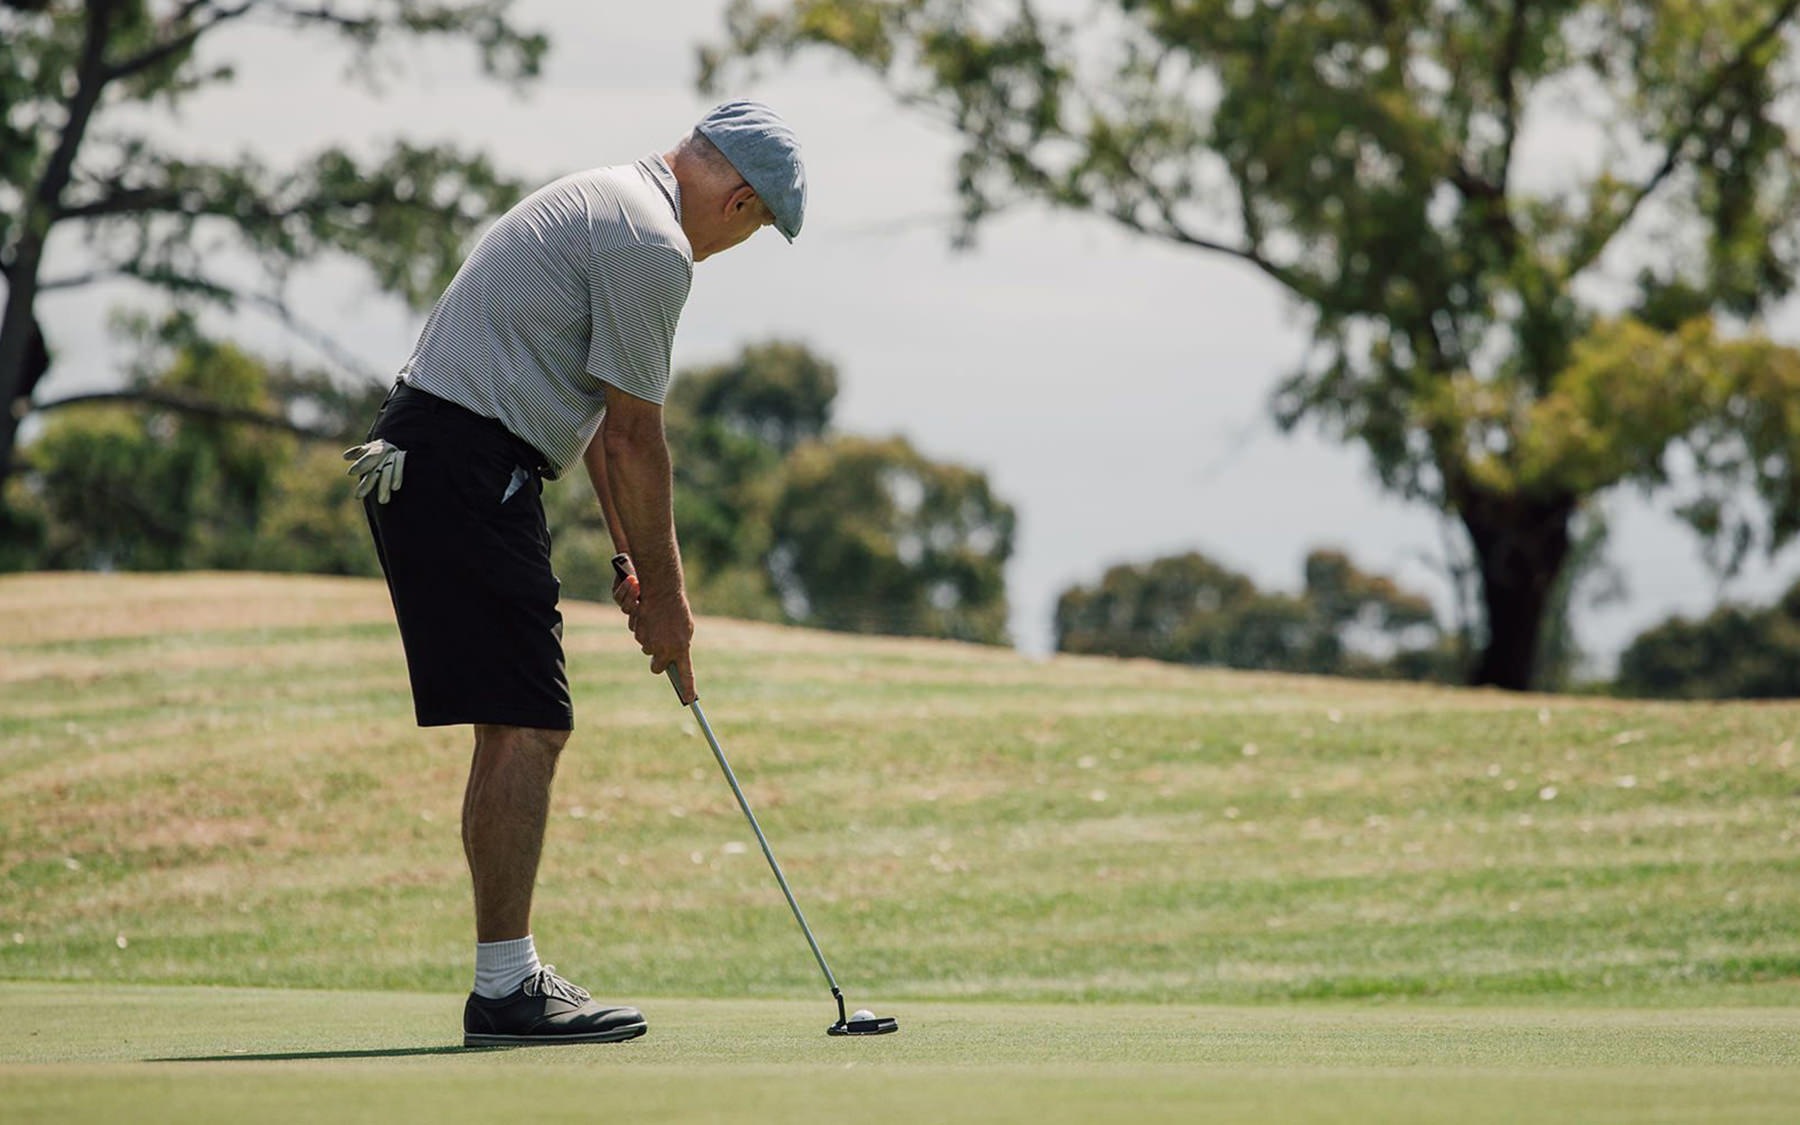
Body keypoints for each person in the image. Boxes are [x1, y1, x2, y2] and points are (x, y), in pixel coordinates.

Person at [342, 100, 806, 1046]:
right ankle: (506, 990)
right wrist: (673, 610)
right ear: (741, 199)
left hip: (447, 460)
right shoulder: (654, 245)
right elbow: (640, 441)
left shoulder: (613, 200)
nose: (742, 241)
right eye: (757, 225)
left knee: (519, 724)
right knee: (529, 726)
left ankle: (504, 982)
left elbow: (595, 419)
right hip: (465, 467)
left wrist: (633, 561)